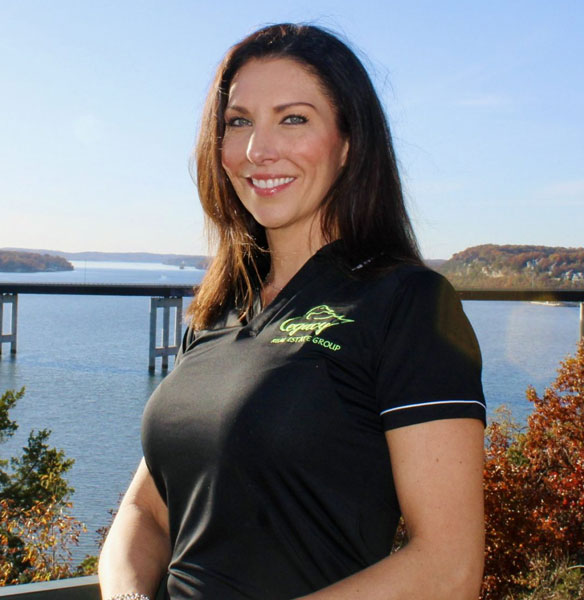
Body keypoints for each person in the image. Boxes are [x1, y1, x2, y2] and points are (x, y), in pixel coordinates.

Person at [99, 23, 486, 600]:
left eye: (294, 119)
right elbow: (147, 512)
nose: (259, 150)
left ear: (349, 143)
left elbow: (449, 568)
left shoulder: (407, 304)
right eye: (239, 122)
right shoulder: (218, 313)